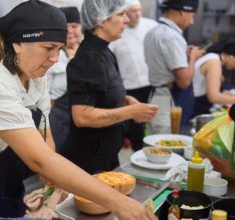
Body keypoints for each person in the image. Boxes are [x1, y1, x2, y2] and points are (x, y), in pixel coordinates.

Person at [0, 1, 158, 219]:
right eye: (48, 47)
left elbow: (44, 135)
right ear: (17, 43)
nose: (55, 58)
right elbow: (39, 160)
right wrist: (118, 202)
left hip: (1, 179)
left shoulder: (34, 74)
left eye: (59, 48)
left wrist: (51, 188)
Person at [59, 0, 159, 175]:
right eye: (121, 14)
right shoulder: (88, 59)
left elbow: (103, 92)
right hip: (88, 161)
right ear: (102, 20)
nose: (127, 20)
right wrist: (130, 111)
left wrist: (126, 99)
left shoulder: (105, 51)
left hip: (107, 154)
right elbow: (82, 116)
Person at [144, 0, 204, 134]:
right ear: (183, 12)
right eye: (192, 16)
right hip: (169, 101)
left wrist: (183, 53)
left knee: (159, 144)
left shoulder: (153, 32)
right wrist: (193, 56)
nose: (192, 22)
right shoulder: (172, 37)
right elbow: (184, 82)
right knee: (168, 148)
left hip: (157, 96)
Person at [109, 0, 157, 151]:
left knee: (155, 121)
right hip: (129, 86)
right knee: (136, 125)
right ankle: (139, 151)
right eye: (133, 11)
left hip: (152, 83)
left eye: (139, 10)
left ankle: (155, 149)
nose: (137, 15)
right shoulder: (117, 33)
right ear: (125, 14)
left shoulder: (151, 26)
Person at [47, 6, 82, 150]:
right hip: (58, 116)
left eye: (74, 26)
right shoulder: (50, 55)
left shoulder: (88, 50)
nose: (70, 32)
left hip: (85, 115)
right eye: (65, 27)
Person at [192, 38, 235, 117]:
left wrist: (224, 94)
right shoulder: (214, 62)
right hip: (195, 107)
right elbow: (213, 97)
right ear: (231, 56)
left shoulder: (212, 57)